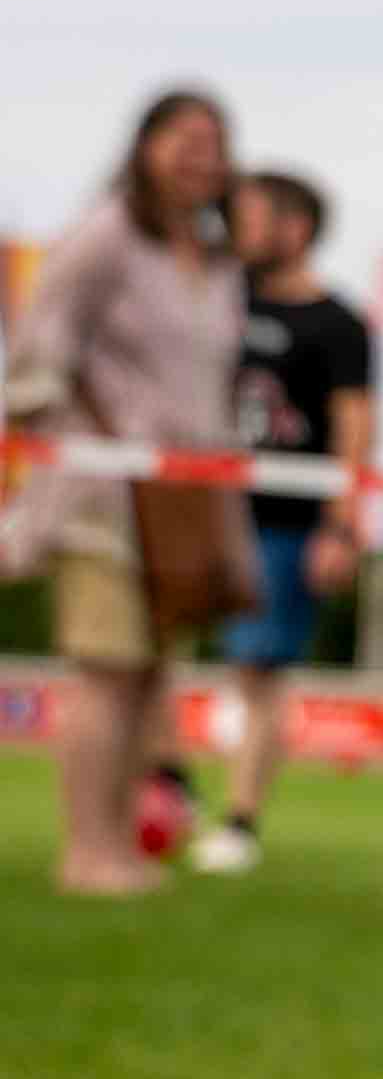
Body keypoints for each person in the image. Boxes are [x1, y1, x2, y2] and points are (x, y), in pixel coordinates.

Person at [0, 86, 247, 895]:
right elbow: (38, 349)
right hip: (103, 494)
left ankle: (118, 843)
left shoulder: (211, 256)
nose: (197, 155)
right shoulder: (104, 234)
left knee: (145, 670)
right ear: (143, 145)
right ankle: (87, 850)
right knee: (105, 666)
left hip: (180, 500)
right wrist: (78, 440)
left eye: (212, 141)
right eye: (181, 137)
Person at [188, 168, 376, 876]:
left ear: (294, 228)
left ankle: (239, 821)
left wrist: (341, 526)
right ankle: (169, 787)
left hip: (284, 523)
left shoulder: (339, 324)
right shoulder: (213, 299)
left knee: (258, 668)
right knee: (150, 647)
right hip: (196, 506)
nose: (235, 228)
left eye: (252, 216)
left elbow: (356, 425)